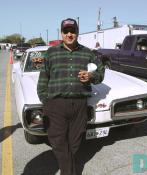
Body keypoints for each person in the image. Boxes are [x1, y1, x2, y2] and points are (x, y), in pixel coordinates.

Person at [37, 18, 104, 175]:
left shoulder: (88, 53)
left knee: (74, 144)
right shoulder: (51, 53)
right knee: (59, 143)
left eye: (72, 31)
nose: (69, 34)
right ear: (61, 33)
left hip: (79, 104)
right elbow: (43, 78)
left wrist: (91, 76)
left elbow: (100, 73)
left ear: (77, 33)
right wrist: (45, 101)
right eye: (66, 31)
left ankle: (67, 169)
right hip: (56, 105)